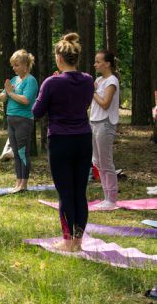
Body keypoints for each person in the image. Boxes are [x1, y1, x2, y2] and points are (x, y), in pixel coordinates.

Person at [32, 33, 94, 252]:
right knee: (80, 192)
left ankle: (68, 241)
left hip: (60, 140)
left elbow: (36, 112)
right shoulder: (88, 80)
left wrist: (49, 86)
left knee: (65, 192)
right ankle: (78, 240)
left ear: (59, 57)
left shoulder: (51, 82)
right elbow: (84, 102)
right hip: (84, 140)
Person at [0, 50, 38, 192]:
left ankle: (24, 184)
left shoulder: (31, 80)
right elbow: (3, 96)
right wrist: (4, 94)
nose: (14, 68)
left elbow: (26, 100)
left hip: (23, 120)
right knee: (15, 152)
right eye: (13, 65)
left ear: (25, 65)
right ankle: (18, 183)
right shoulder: (15, 80)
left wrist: (10, 93)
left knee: (22, 152)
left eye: (16, 65)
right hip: (11, 119)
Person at [91, 50, 120, 208]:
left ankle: (111, 199)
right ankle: (106, 197)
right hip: (94, 122)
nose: (95, 64)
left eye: (98, 61)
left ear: (107, 64)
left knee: (106, 161)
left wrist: (93, 91)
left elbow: (105, 103)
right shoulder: (99, 80)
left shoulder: (112, 81)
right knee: (98, 162)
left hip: (105, 123)